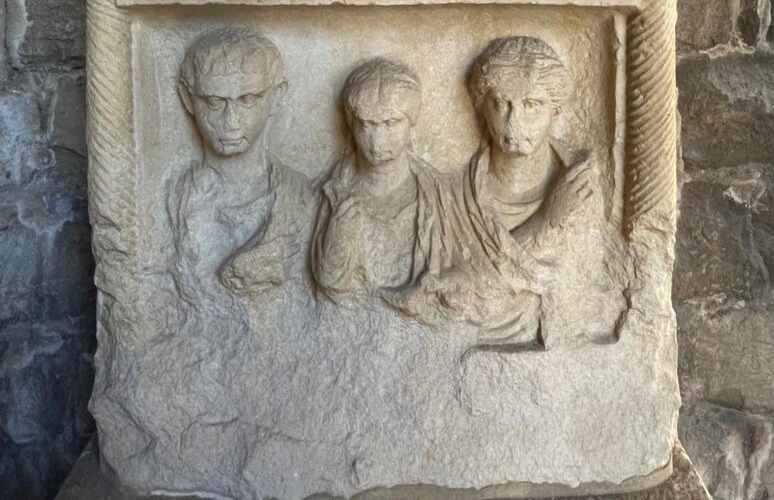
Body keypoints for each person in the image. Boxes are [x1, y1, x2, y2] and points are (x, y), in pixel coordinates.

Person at [390, 36, 625, 346]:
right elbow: (447, 298)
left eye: (532, 105)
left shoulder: (579, 187)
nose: (515, 122)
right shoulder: (452, 196)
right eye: (501, 104)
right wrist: (547, 223)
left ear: (556, 109)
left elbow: (585, 296)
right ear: (482, 108)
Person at [165, 28, 313, 308]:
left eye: (248, 100)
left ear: (276, 95)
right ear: (187, 98)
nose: (231, 121)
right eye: (214, 102)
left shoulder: (301, 197)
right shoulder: (175, 197)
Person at [311, 57, 456, 303]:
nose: (377, 140)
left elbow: (466, 269)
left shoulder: (440, 193)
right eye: (366, 124)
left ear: (412, 121)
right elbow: (327, 281)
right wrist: (339, 236)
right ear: (351, 123)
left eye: (390, 123)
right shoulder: (333, 191)